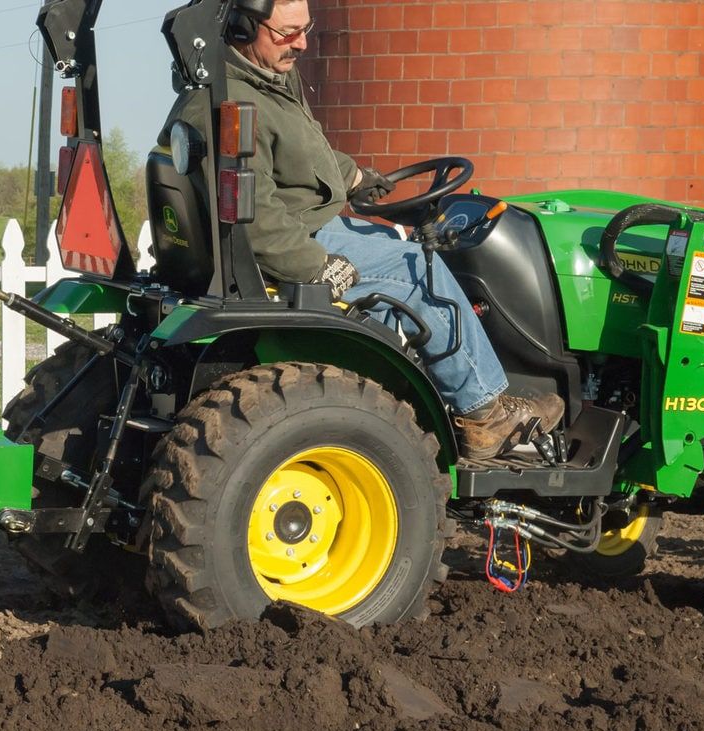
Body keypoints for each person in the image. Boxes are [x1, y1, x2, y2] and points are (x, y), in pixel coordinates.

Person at [159, 0, 563, 460]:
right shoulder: (229, 101)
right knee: (417, 265)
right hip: (292, 244)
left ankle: (411, 397)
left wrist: (355, 178)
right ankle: (483, 414)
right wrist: (316, 266)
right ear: (240, 26)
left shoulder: (267, 80)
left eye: (306, 29)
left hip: (305, 226)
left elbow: (301, 155)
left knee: (396, 242)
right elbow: (256, 217)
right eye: (287, 33)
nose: (303, 43)